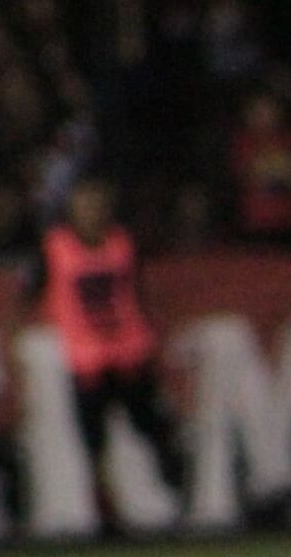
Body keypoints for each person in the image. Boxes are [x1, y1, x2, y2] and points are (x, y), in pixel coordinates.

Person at [24, 174, 188, 533]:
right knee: (93, 442)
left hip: (130, 353)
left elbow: (138, 294)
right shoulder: (55, 247)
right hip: (86, 360)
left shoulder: (123, 243)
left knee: (152, 428)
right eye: (84, 204)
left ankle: (177, 492)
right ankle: (105, 512)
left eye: (97, 204)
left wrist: (152, 340)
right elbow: (29, 294)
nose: (91, 211)